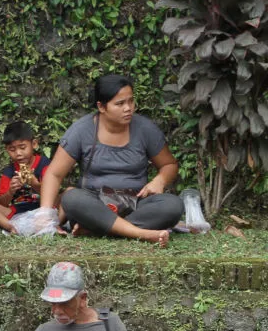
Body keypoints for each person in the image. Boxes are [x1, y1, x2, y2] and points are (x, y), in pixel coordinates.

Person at [39, 74, 184, 247]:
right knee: (72, 198)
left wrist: (160, 180)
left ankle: (98, 229)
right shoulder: (81, 130)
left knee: (173, 205)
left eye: (131, 101)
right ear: (101, 106)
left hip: (135, 203)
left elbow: (169, 164)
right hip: (95, 203)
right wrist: (45, 215)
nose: (128, 108)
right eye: (120, 103)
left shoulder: (145, 129)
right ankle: (140, 233)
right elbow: (54, 174)